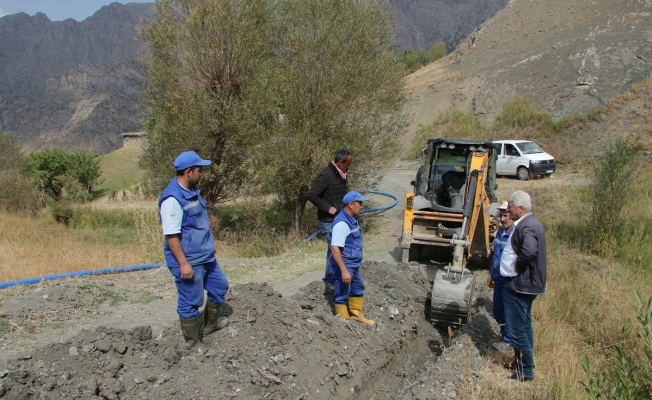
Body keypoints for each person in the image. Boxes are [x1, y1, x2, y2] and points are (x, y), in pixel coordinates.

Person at [158, 151, 230, 354]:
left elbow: (197, 225)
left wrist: (208, 244)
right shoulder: (172, 200)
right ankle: (192, 343)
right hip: (189, 260)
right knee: (191, 300)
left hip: (205, 256)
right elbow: (172, 236)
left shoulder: (193, 191)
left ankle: (210, 325)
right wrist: (183, 264)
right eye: (200, 170)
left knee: (219, 286)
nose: (202, 173)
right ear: (188, 172)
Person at [500, 191, 547, 382]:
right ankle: (521, 362)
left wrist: (517, 267)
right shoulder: (531, 223)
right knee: (524, 326)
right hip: (526, 284)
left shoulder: (527, 227)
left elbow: (529, 251)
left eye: (510, 207)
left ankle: (526, 370)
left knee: (516, 329)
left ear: (521, 208)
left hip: (520, 286)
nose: (508, 211)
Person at [329, 191, 375, 325]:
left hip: (353, 264)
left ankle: (356, 314)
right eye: (359, 203)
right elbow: (335, 248)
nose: (362, 206)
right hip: (345, 264)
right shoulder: (342, 224)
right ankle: (343, 320)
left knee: (357, 287)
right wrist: (343, 270)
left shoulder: (351, 220)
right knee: (342, 291)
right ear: (350, 204)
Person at [307, 149, 352, 283]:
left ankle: (329, 279)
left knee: (334, 248)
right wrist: (327, 208)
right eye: (347, 164)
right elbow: (311, 195)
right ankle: (332, 281)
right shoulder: (325, 175)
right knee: (336, 248)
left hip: (340, 218)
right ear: (339, 162)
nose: (349, 167)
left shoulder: (342, 174)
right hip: (328, 220)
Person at [489, 202, 515, 352]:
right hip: (497, 279)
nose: (503, 219)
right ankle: (503, 335)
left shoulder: (515, 234)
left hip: (508, 281)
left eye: (506, 215)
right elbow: (494, 254)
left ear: (512, 216)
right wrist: (490, 272)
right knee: (498, 312)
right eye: (501, 215)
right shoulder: (499, 232)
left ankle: (508, 341)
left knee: (508, 312)